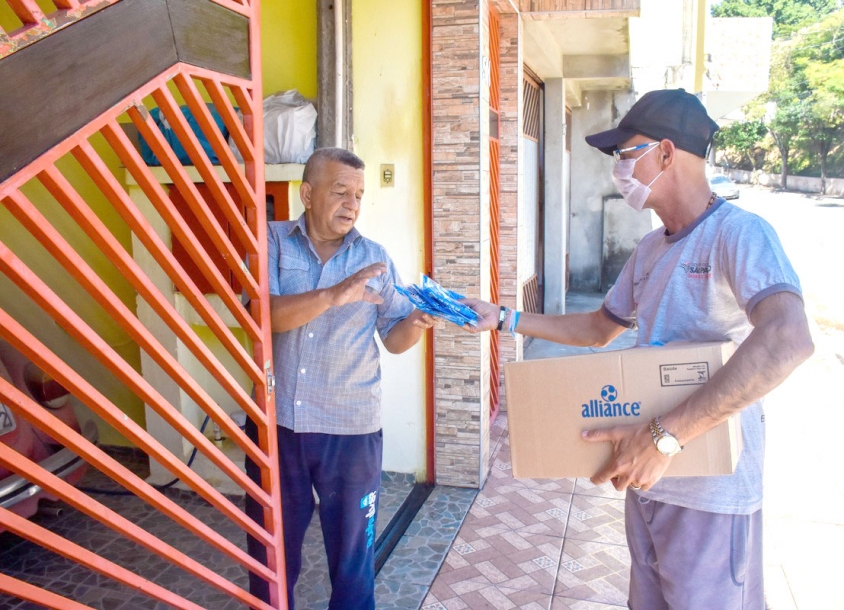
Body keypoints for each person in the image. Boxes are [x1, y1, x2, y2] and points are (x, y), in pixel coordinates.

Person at [463, 89, 814, 610]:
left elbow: (788, 338)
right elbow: (598, 328)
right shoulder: (651, 248)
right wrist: (505, 318)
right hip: (649, 480)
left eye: (625, 154)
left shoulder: (739, 235)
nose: (617, 169)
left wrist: (665, 437)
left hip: (710, 492)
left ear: (666, 153)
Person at [244, 147, 434, 610]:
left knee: (352, 557)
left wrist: (418, 322)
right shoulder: (272, 241)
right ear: (307, 194)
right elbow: (262, 316)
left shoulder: (374, 258)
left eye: (360, 195)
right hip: (277, 425)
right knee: (270, 551)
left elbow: (394, 338)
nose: (352, 204)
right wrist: (334, 294)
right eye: (341, 191)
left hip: (350, 430)